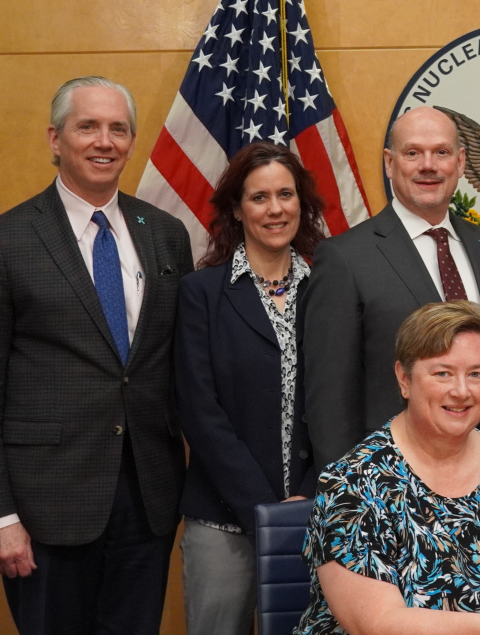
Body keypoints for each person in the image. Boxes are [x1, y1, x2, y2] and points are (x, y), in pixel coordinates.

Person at [0, 76, 193, 633]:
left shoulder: (164, 235)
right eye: (87, 126)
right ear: (55, 139)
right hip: (44, 508)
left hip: (148, 498)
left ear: (132, 142)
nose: (103, 141)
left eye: (118, 129)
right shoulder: (4, 241)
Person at [295, 300, 480, 635]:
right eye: (442, 373)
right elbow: (377, 624)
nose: (461, 391)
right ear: (404, 378)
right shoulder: (352, 485)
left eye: (476, 374)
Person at [303, 106, 480, 465]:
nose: (428, 165)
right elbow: (329, 400)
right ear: (390, 163)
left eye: (442, 152)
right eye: (413, 152)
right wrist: (352, 493)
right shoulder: (344, 259)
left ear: (461, 162)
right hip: (389, 486)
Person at [174, 142, 329, 634]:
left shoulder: (330, 286)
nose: (275, 208)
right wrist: (262, 508)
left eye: (286, 194)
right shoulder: (200, 293)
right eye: (259, 197)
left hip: (316, 513)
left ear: (301, 205)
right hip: (224, 519)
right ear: (237, 209)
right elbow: (198, 409)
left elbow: (341, 398)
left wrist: (307, 497)